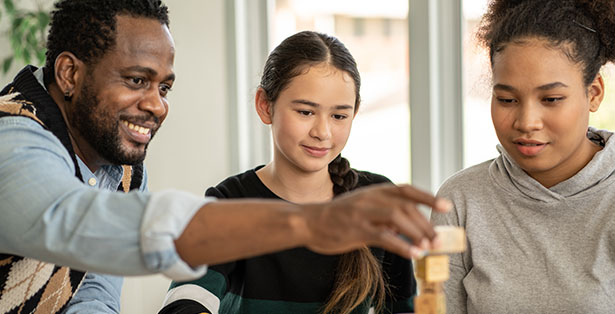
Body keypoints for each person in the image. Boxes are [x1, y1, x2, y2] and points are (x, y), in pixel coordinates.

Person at [0, 1, 451, 313]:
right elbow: (70, 221)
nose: (157, 105)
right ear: (69, 73)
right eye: (137, 80)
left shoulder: (118, 165)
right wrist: (313, 223)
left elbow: (91, 291)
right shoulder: (12, 138)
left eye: (164, 87)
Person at [159, 31, 417, 314]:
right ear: (264, 105)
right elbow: (183, 304)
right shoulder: (228, 202)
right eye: (306, 112)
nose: (322, 132)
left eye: (339, 116)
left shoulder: (379, 202)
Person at [430, 0, 615, 313]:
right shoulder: (459, 202)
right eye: (507, 99)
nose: (526, 121)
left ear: (594, 93)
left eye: (551, 98)